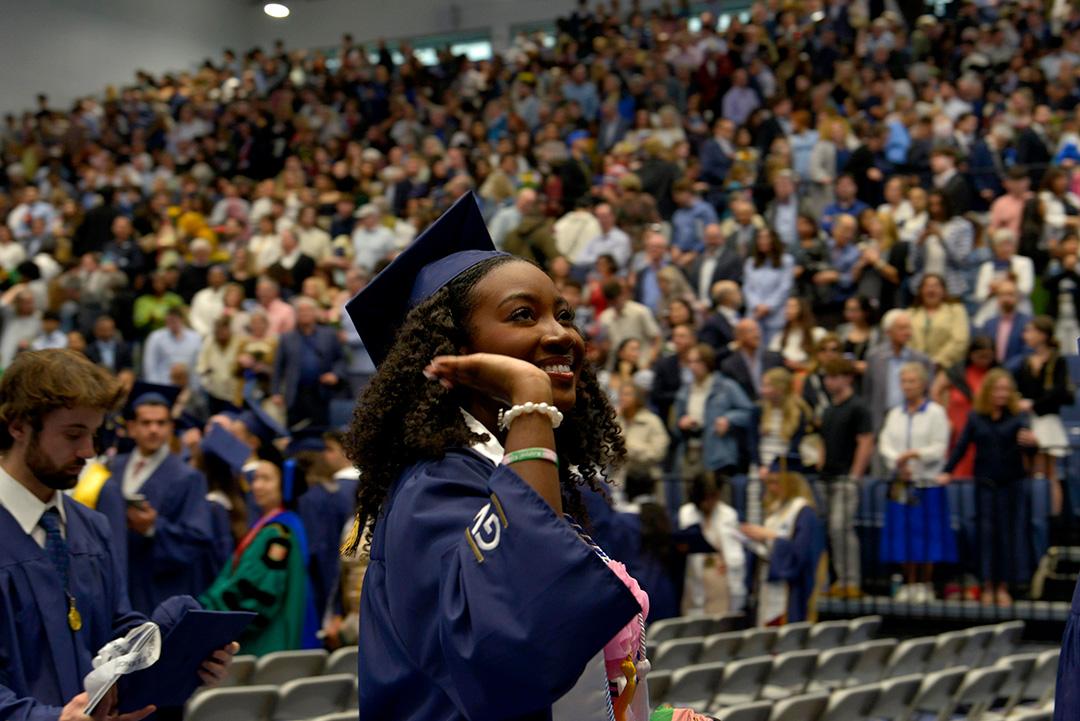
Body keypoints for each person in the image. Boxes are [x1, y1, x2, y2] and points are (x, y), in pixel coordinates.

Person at [342, 195, 651, 719]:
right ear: (454, 350)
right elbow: (517, 647)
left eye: (564, 315)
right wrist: (531, 404)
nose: (561, 335)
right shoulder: (434, 490)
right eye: (523, 315)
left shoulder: (506, 472)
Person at [0, 350, 235, 721]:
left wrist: (180, 657)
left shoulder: (91, 527)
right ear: (17, 425)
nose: (89, 451)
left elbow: (115, 629)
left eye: (94, 434)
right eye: (74, 434)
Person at [105, 387, 215, 614]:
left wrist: (153, 528)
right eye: (146, 423)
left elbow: (197, 537)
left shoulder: (187, 477)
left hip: (157, 588)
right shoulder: (112, 468)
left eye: (161, 423)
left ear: (171, 428)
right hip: (117, 580)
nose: (154, 430)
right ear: (132, 427)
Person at [939, 369, 1038, 607]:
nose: (1002, 394)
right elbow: (962, 446)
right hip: (984, 484)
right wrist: (947, 471)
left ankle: (1003, 586)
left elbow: (1029, 451)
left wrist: (1034, 445)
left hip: (1010, 484)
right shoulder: (976, 417)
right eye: (997, 389)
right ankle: (986, 586)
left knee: (1006, 536)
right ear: (988, 391)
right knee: (984, 536)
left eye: (1006, 389)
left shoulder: (1017, 418)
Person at [200, 458, 319, 655]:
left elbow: (258, 592)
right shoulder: (278, 525)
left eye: (266, 479)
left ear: (284, 484)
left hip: (270, 640)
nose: (257, 486)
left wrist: (209, 608)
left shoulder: (278, 533)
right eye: (255, 479)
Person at [878, 362, 955, 603]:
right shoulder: (895, 413)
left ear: (923, 384)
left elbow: (939, 447)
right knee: (903, 534)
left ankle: (925, 583)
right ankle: (908, 582)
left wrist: (915, 456)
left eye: (912, 381)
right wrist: (898, 463)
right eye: (904, 381)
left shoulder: (935, 412)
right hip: (902, 484)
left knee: (927, 535)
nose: (908, 386)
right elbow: (885, 443)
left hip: (927, 483)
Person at [739, 464, 825, 626]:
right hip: (768, 582)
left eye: (776, 483)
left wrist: (769, 536)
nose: (771, 488)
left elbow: (801, 554)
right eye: (769, 483)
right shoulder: (777, 510)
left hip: (790, 589)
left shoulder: (803, 512)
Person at [818, 358, 874, 599]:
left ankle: (852, 580)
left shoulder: (858, 407)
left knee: (842, 528)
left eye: (834, 376)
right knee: (832, 531)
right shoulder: (829, 410)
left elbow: (866, 441)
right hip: (827, 477)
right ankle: (839, 579)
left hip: (845, 478)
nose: (829, 381)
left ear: (848, 378)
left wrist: (855, 475)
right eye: (827, 377)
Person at [1014, 316, 1074, 516]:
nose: (1026, 335)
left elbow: (1060, 392)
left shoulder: (1058, 360)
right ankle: (1033, 515)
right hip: (1029, 421)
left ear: (1042, 334)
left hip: (1047, 420)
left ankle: (1052, 519)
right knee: (1031, 472)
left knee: (1049, 473)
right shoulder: (1024, 363)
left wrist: (1033, 404)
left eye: (1030, 331)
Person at [270, 297, 345, 429]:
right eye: (301, 311)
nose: (304, 314)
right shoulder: (286, 338)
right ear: (295, 314)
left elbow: (340, 359)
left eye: (308, 310)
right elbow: (278, 368)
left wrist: (335, 374)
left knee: (321, 430)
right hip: (296, 393)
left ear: (315, 313)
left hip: (321, 392)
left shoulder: (329, 334)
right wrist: (275, 392)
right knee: (295, 430)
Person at [931, 336, 998, 481]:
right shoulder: (957, 371)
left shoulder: (996, 373)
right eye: (980, 356)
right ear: (970, 354)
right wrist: (943, 419)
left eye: (988, 357)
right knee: (958, 468)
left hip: (985, 432)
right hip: (958, 429)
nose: (984, 360)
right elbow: (935, 391)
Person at [678, 475, 746, 615]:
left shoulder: (728, 514)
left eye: (714, 497)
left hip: (720, 579)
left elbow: (735, 551)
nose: (710, 502)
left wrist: (729, 563)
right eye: (707, 497)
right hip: (695, 578)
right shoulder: (686, 513)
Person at [863, 309, 934, 432]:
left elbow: (927, 394)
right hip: (880, 421)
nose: (907, 333)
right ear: (888, 332)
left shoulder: (922, 360)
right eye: (902, 328)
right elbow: (868, 392)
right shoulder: (874, 357)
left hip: (913, 420)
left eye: (909, 328)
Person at [908, 273, 971, 370]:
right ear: (920, 291)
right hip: (915, 368)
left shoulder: (956, 310)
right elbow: (905, 341)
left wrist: (938, 361)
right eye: (927, 286)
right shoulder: (910, 313)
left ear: (944, 291)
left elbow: (960, 341)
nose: (931, 290)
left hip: (946, 368)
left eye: (936, 286)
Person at [743, 228, 795, 346]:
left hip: (776, 315)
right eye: (760, 238)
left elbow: (785, 287)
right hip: (754, 314)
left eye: (766, 238)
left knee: (773, 349)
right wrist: (757, 305)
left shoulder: (786, 261)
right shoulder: (750, 262)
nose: (763, 241)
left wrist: (768, 306)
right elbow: (747, 287)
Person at [720, 318, 785, 402]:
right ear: (739, 336)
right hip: (745, 408)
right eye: (751, 331)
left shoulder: (775, 358)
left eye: (757, 330)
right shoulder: (729, 365)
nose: (757, 334)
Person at [981, 277, 1032, 367]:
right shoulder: (989, 324)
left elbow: (1028, 352)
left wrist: (1006, 370)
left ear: (1018, 297)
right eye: (1002, 295)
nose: (1006, 299)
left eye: (1010, 294)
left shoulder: (1028, 323)